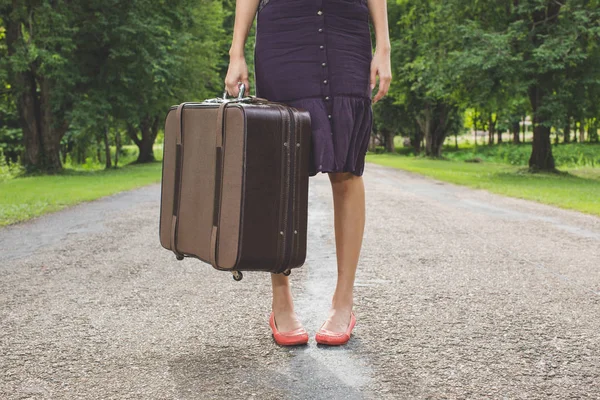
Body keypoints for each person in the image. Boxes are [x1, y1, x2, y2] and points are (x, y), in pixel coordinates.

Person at [224, 0, 392, 346]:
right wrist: (235, 51)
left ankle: (343, 302)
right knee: (281, 170)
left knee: (346, 168)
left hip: (347, 28)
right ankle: (281, 300)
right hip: (284, 29)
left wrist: (384, 47)